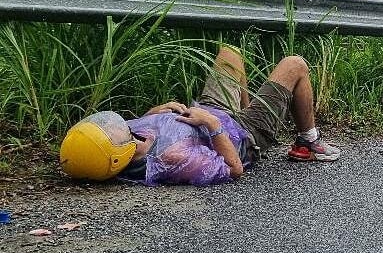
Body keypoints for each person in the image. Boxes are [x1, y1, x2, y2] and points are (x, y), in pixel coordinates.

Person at [59, 46, 341, 186]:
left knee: (230, 54)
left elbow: (139, 126)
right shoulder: (173, 159)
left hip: (208, 111)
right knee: (295, 65)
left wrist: (157, 112)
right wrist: (215, 126)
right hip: (241, 135)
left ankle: (247, 111)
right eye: (108, 130)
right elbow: (233, 170)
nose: (111, 125)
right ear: (115, 154)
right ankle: (308, 141)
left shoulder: (126, 138)